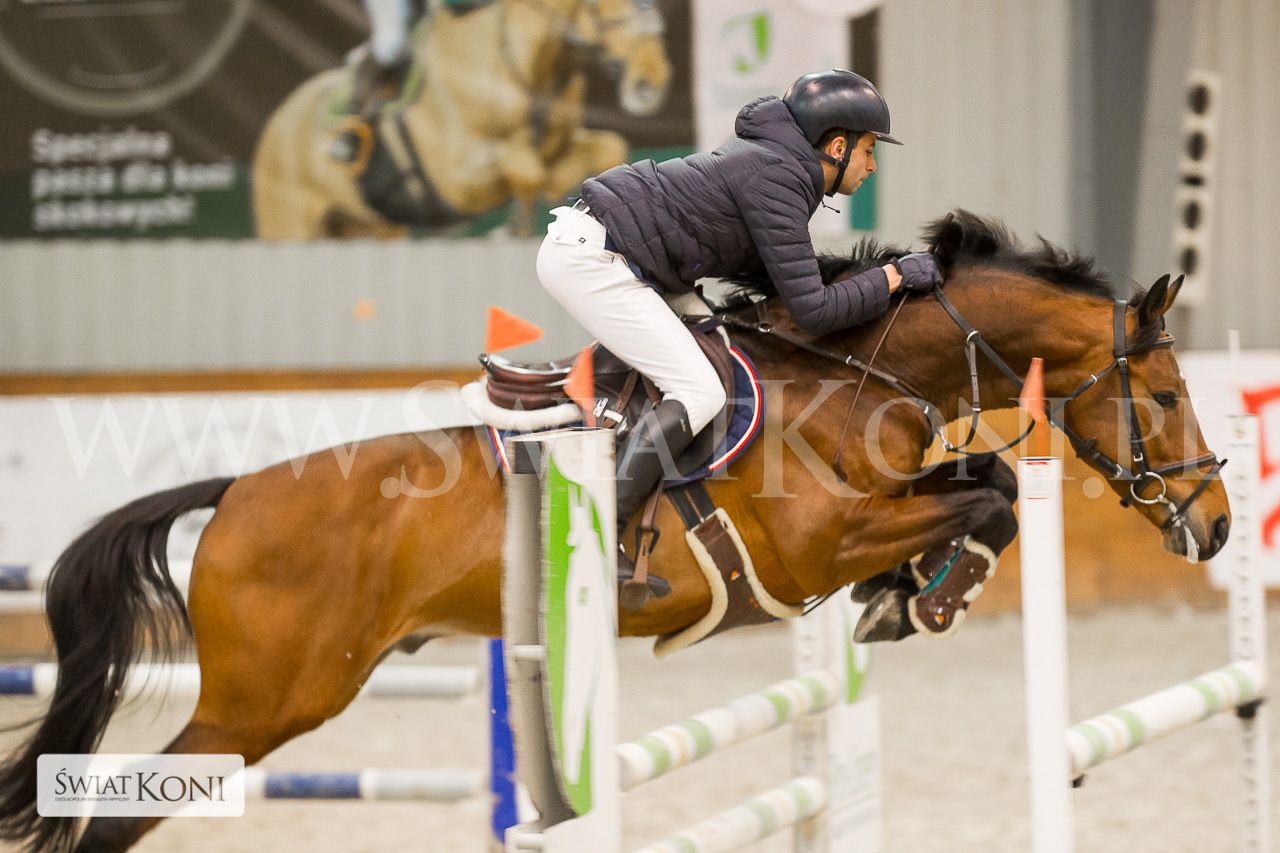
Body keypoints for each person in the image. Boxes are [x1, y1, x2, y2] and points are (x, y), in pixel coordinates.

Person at [535, 69, 943, 571]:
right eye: (868, 150)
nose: (872, 165)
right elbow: (813, 310)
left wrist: (881, 278)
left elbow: (787, 283)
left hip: (626, 257)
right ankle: (599, 533)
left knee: (723, 349)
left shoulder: (779, 167)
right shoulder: (779, 178)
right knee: (700, 392)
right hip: (594, 259)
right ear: (838, 147)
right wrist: (893, 277)